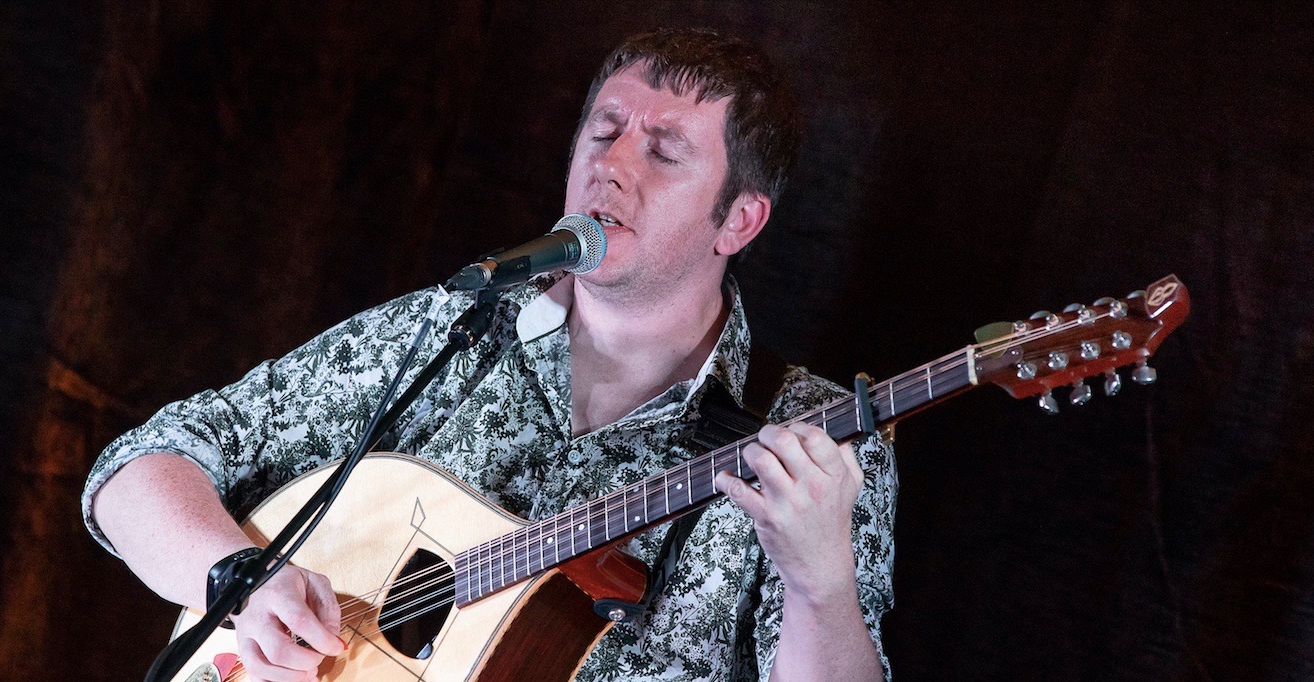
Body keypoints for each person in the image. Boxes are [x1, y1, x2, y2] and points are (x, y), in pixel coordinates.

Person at [83, 28, 896, 682]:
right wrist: (238, 580)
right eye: (603, 131)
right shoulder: (455, 327)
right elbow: (140, 466)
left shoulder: (814, 440)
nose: (610, 166)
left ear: (738, 221)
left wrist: (819, 581)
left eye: (662, 152)